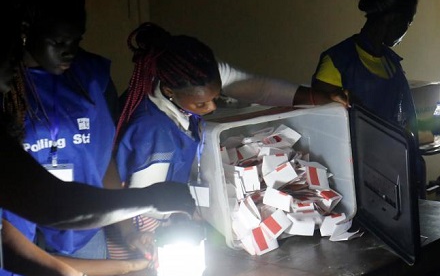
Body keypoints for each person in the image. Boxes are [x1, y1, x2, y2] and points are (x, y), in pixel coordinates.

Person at [0, 0, 194, 276]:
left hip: (80, 235)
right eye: (58, 42)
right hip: (26, 244)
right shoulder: (11, 95)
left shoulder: (91, 78)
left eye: (77, 39)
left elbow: (103, 164)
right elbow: (48, 207)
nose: (70, 52)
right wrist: (152, 198)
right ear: (22, 35)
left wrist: (125, 232)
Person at [113, 22, 345, 237]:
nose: (213, 107)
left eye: (217, 96)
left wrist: (318, 98)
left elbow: (260, 89)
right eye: (201, 104)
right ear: (171, 92)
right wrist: (193, 211)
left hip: (172, 201)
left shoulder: (194, 79)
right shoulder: (155, 131)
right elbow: (147, 201)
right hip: (147, 221)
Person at [312, 0, 418, 132]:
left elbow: (406, 121)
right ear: (393, 18)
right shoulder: (338, 61)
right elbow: (322, 129)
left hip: (396, 156)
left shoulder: (392, 63)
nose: (406, 31)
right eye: (408, 22)